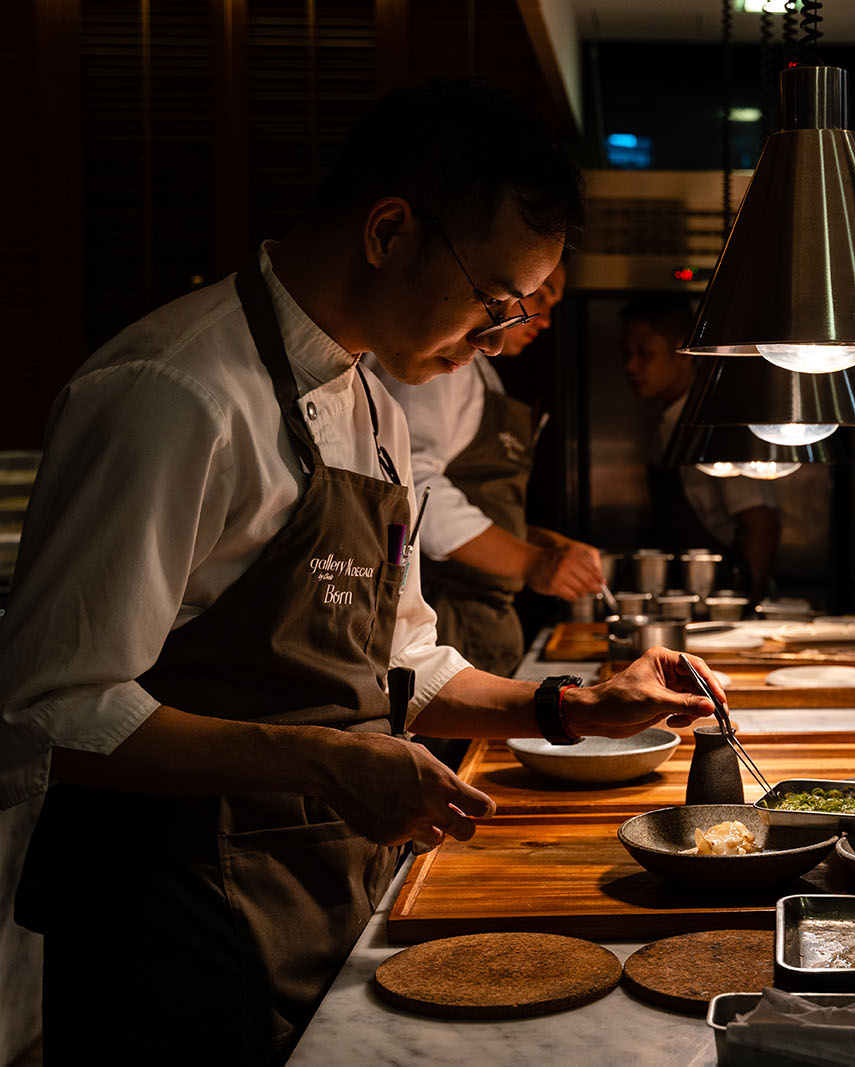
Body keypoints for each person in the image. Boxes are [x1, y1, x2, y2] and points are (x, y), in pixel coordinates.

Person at [0, 79, 721, 1065]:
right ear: (389, 231)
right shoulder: (172, 392)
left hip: (321, 893)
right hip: (170, 931)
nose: (499, 334)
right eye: (494, 299)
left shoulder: (373, 406)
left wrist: (571, 708)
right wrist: (328, 761)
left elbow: (402, 662)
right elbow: (53, 710)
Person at [369, 257, 600, 678]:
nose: (546, 321)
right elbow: (412, 489)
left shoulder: (481, 375)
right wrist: (530, 561)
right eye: (539, 298)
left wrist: (537, 541)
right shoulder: (443, 369)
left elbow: (470, 497)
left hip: (482, 622)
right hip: (444, 619)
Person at [621, 293, 780, 598]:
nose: (631, 366)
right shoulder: (664, 421)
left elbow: (762, 525)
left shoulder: (718, 424)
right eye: (626, 352)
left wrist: (748, 601)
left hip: (720, 591)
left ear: (682, 351)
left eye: (645, 353)